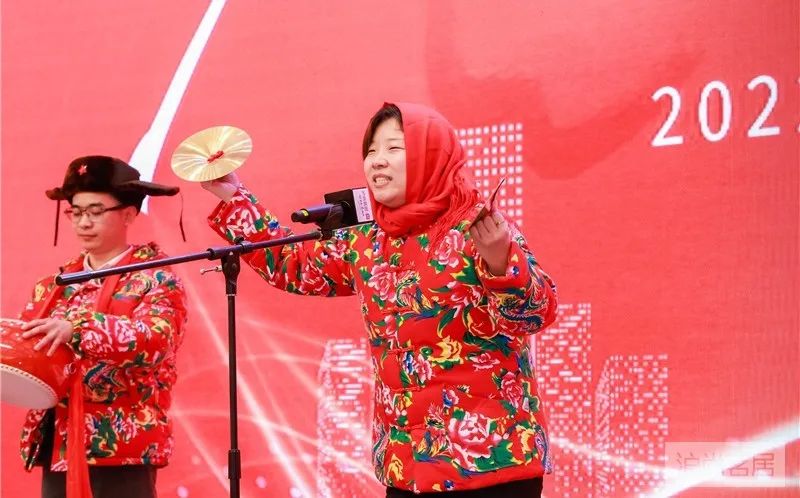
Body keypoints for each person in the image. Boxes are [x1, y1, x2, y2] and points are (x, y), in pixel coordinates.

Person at [202, 103, 557, 496]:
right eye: (371, 151)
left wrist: (501, 262)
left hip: (492, 461)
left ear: (430, 156)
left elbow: (536, 315)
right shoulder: (368, 238)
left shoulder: (476, 227)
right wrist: (233, 197)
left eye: (393, 148)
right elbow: (294, 265)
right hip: (407, 465)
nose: (377, 161)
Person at [18, 156, 188, 498]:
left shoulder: (156, 279)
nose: (84, 222)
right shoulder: (53, 285)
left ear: (128, 214)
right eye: (76, 212)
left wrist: (77, 328)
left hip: (122, 442)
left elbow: (155, 341)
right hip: (60, 441)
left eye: (96, 212)